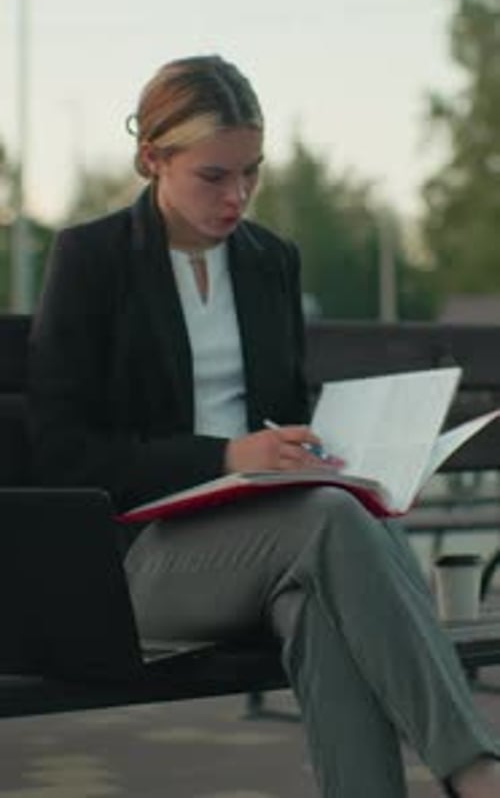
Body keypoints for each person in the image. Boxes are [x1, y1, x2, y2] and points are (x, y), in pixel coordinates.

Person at [29, 54, 500, 798]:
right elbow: (63, 454)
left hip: (273, 543)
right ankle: (475, 772)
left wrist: (326, 449)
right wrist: (225, 457)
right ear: (152, 158)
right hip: (136, 568)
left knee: (321, 595)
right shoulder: (92, 260)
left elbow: (284, 413)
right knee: (331, 521)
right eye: (213, 176)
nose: (237, 196)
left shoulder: (268, 261)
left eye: (251, 172)